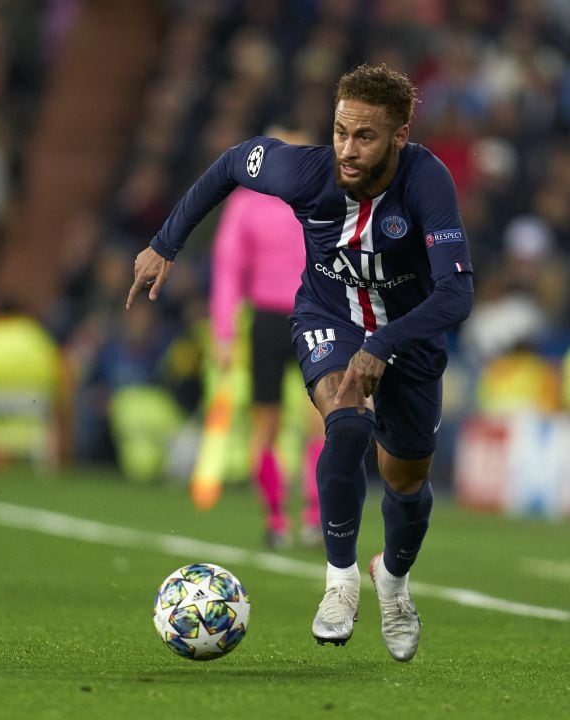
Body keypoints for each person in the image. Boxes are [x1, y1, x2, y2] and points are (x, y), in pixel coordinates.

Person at [127, 64, 474, 662]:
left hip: (407, 337)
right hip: (328, 316)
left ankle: (391, 578)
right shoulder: (304, 171)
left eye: (365, 136)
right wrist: (165, 243)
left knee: (406, 482)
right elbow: (233, 163)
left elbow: (457, 294)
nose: (347, 148)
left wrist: (385, 345)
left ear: (399, 136)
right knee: (345, 420)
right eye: (340, 131)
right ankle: (341, 581)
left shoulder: (427, 181)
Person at [209, 127, 324, 551]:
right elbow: (228, 268)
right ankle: (285, 518)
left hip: (305, 315)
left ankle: (303, 517)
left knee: (313, 419)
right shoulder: (254, 201)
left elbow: (227, 270)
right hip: (286, 317)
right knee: (279, 422)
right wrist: (223, 332)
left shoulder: (313, 198)